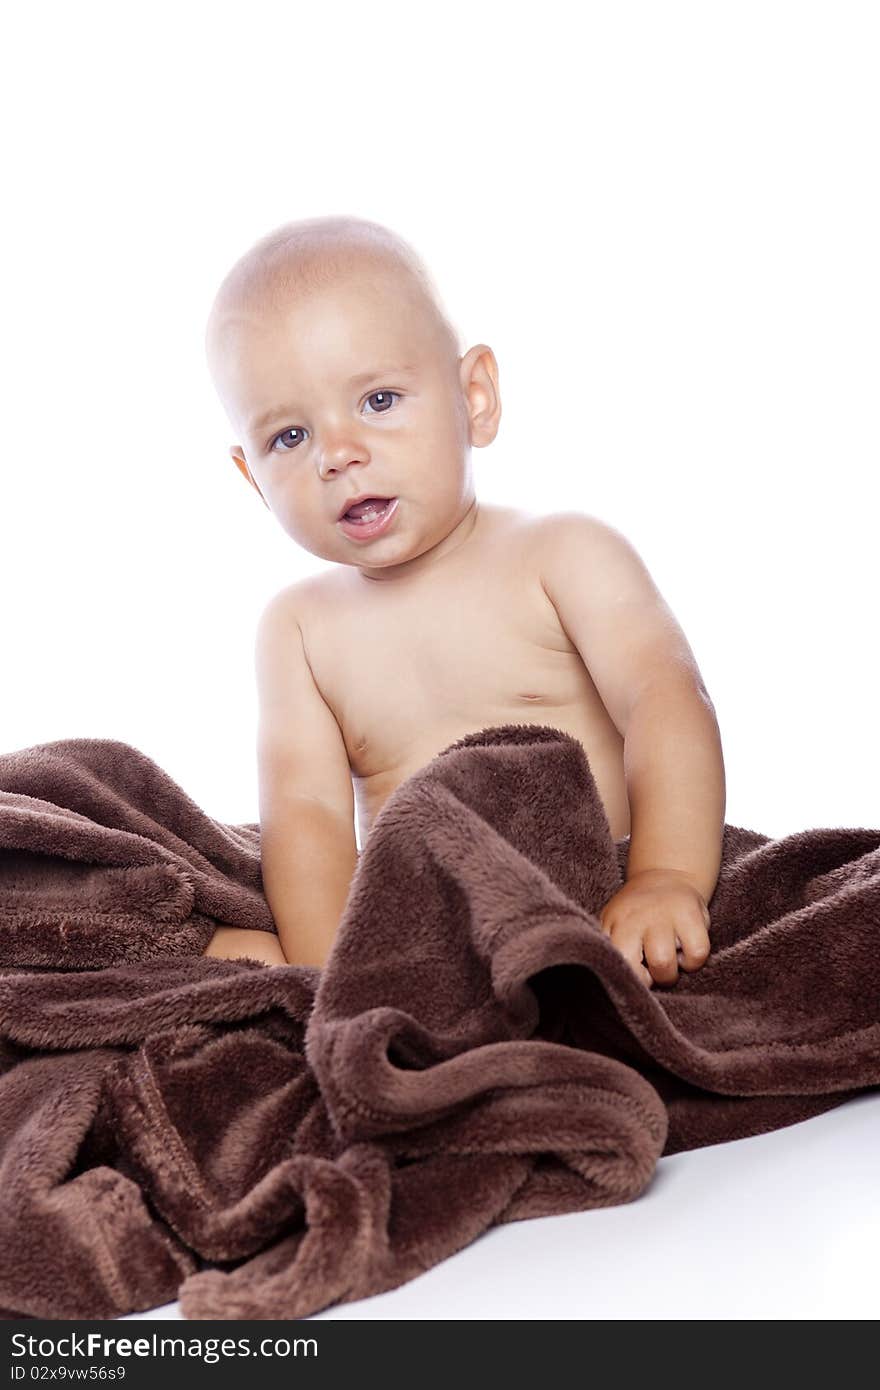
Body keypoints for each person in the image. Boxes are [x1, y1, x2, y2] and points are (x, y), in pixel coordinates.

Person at [201, 215, 725, 987]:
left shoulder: (563, 554)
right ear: (253, 479)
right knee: (182, 909)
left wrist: (666, 879)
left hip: (587, 903)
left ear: (473, 397)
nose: (339, 454)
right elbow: (305, 816)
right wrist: (333, 978)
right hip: (420, 936)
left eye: (378, 399)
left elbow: (667, 701)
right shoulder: (299, 629)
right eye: (290, 438)